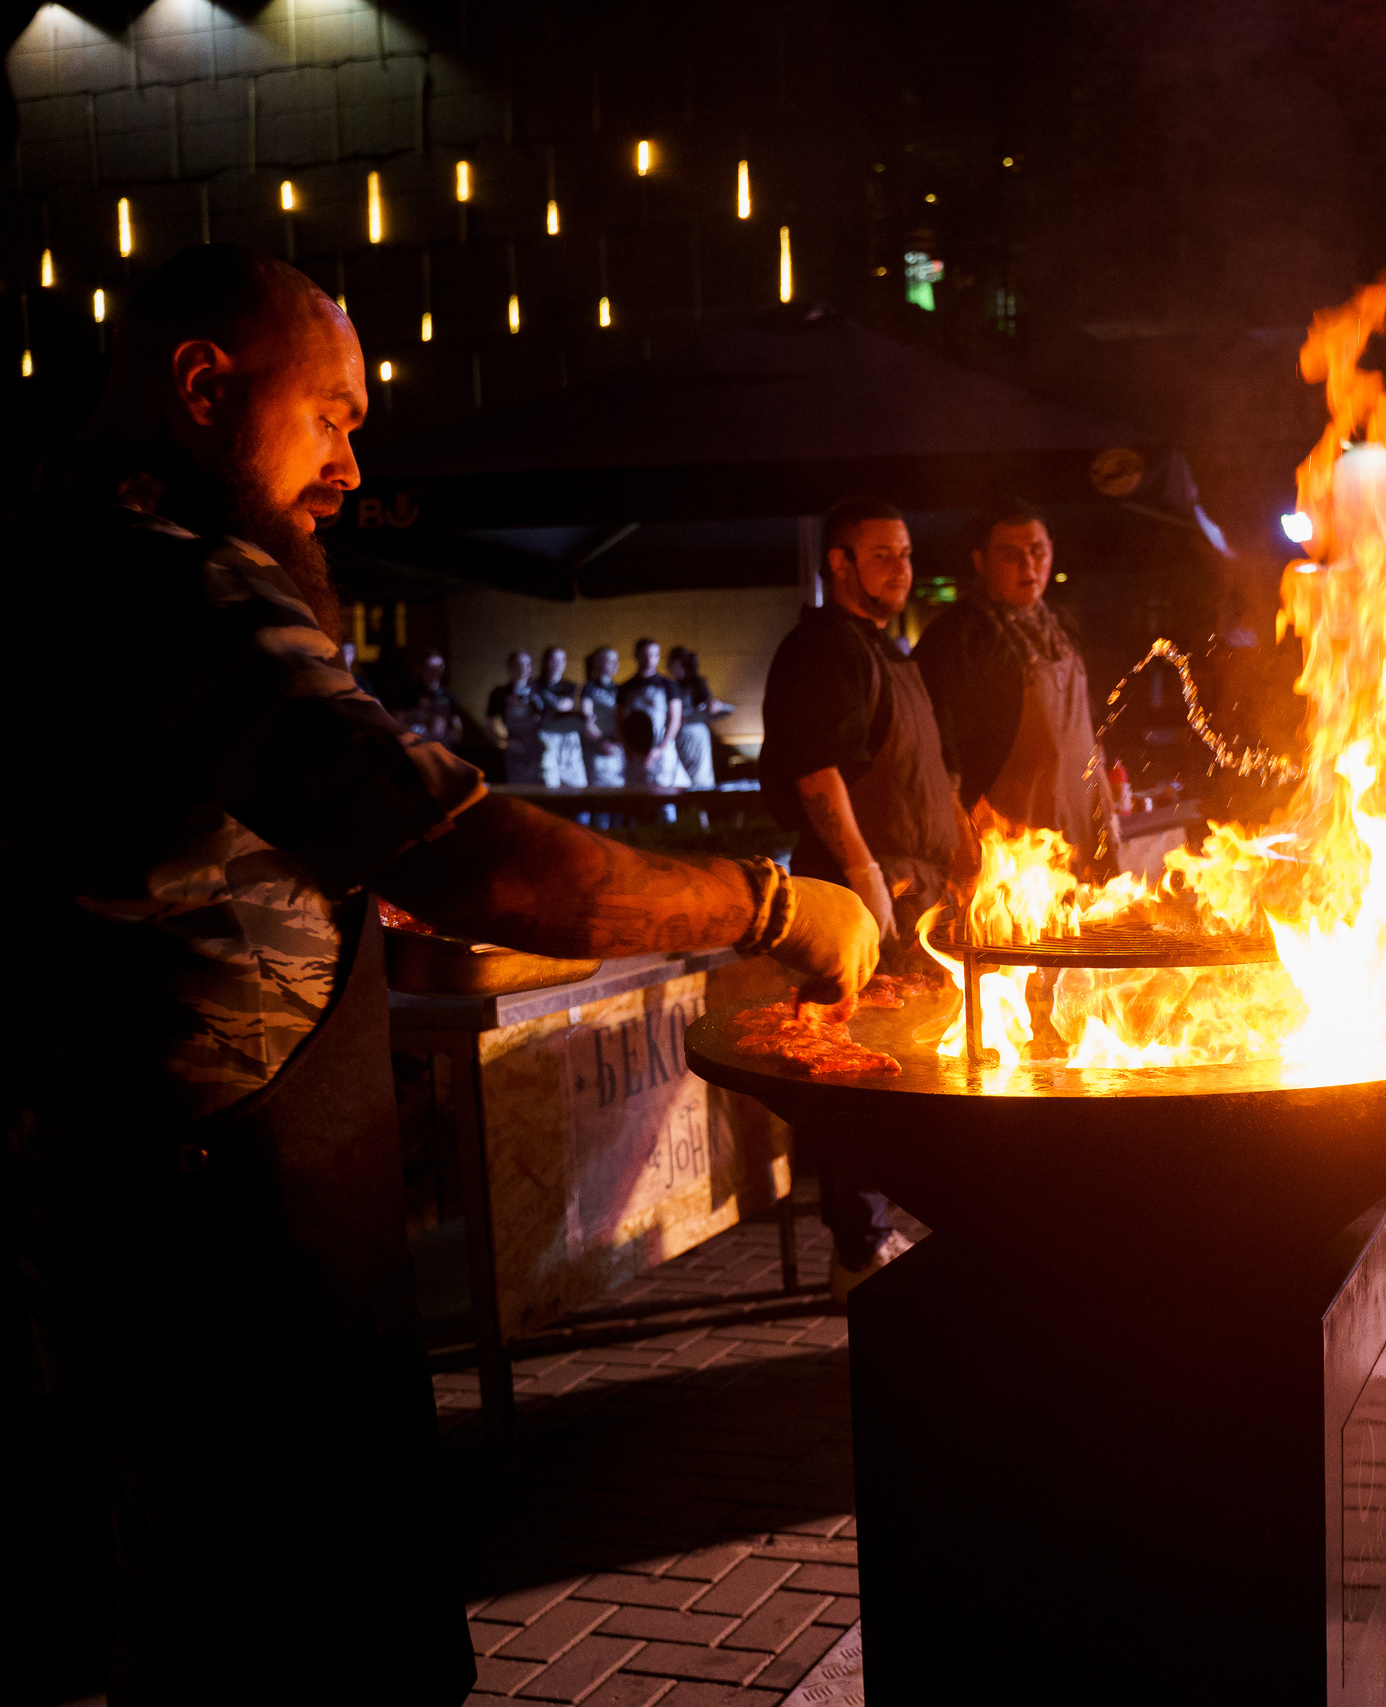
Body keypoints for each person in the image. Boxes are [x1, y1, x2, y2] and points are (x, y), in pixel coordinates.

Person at [1, 244, 876, 1705]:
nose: (354, 461)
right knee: (297, 1634)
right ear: (206, 388)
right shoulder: (184, 587)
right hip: (223, 1234)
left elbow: (157, 849)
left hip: (100, 1198)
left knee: (187, 1602)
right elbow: (472, 856)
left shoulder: (38, 557)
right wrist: (771, 902)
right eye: (332, 415)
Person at [761, 496, 974, 1297]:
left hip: (914, 884)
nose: (901, 569)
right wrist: (862, 874)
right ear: (839, 563)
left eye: (908, 554)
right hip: (858, 889)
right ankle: (858, 1249)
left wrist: (964, 844)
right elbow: (817, 772)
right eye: (881, 554)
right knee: (857, 1073)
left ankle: (895, 1232)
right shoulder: (820, 648)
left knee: (910, 1061)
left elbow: (931, 766)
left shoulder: (892, 651)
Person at [913, 497, 1118, 873]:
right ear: (980, 562)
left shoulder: (1063, 624)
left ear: (1051, 551)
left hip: (1084, 816)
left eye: (1037, 551)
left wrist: (1109, 775)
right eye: (1011, 555)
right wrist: (956, 820)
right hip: (1010, 835)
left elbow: (1088, 719)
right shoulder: (955, 638)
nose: (1029, 566)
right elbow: (934, 746)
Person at [617, 637, 691, 791]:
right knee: (635, 799)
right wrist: (630, 749)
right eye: (645, 654)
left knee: (665, 799)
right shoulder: (625, 687)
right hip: (635, 753)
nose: (650, 659)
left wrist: (660, 749)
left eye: (655, 655)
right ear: (637, 655)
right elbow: (619, 721)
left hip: (661, 751)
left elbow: (675, 720)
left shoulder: (668, 685)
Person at [667, 646, 730, 789]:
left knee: (699, 778)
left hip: (695, 734)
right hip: (676, 733)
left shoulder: (696, 682)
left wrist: (714, 704)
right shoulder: (670, 685)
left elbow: (709, 702)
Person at [485, 649, 546, 786]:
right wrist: (506, 743)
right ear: (510, 667)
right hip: (512, 755)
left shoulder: (539, 691)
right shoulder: (499, 693)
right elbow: (490, 726)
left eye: (527, 665)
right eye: (518, 665)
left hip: (536, 753)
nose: (523, 669)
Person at [533, 644, 589, 788]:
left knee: (576, 785)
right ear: (545, 662)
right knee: (549, 782)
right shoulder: (534, 685)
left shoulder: (570, 686)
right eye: (554, 660)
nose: (558, 664)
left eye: (562, 660)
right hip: (546, 738)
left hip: (568, 739)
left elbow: (568, 707)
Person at [400, 648, 466, 748]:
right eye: (431, 668)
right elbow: (398, 724)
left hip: (442, 751)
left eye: (439, 668)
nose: (435, 673)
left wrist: (445, 730)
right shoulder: (409, 695)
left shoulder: (448, 696)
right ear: (421, 669)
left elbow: (457, 732)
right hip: (418, 751)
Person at [579, 644, 625, 788]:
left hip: (618, 750)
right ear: (598, 663)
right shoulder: (589, 688)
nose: (615, 664)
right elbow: (586, 719)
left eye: (616, 660)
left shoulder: (619, 689)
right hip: (598, 750)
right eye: (610, 660)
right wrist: (603, 742)